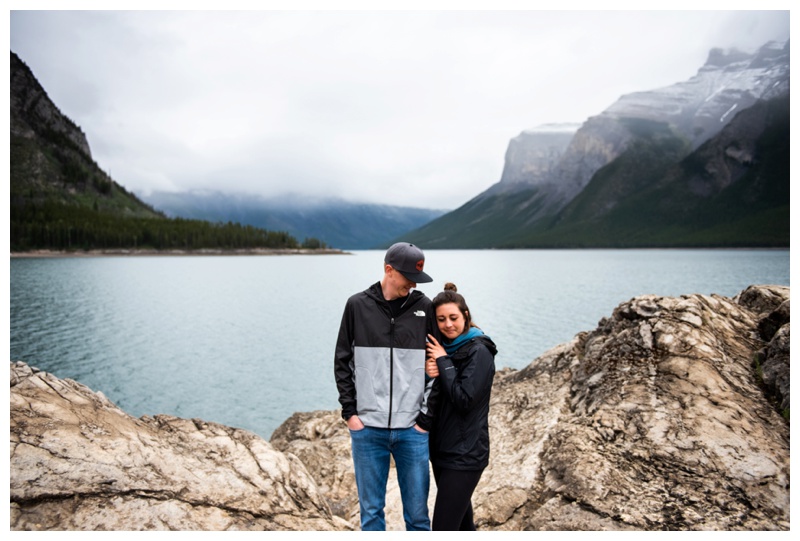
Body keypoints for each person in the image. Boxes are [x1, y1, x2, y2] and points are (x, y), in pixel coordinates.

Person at [334, 242, 440, 531]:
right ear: (388, 270)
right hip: (367, 429)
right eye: (408, 277)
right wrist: (350, 414)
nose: (413, 285)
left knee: (418, 517)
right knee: (371, 514)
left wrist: (425, 419)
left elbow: (437, 365)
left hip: (412, 431)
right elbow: (342, 361)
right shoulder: (357, 305)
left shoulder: (425, 308)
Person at [425, 282, 497, 531]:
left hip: (465, 455)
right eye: (441, 319)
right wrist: (429, 372)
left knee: (443, 529)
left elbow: (464, 400)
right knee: (463, 526)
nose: (448, 325)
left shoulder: (479, 350)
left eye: (453, 318)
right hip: (442, 451)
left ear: (465, 315)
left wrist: (443, 362)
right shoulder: (442, 349)